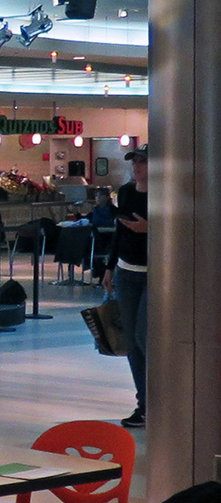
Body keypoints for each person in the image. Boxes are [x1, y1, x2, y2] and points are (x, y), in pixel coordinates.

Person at [111, 149, 148, 428]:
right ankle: (144, 405)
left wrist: (150, 229)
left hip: (155, 274)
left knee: (144, 337)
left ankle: (160, 400)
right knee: (133, 343)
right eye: (134, 162)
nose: (136, 166)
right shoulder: (126, 192)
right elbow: (120, 230)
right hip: (127, 271)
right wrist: (110, 267)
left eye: (142, 162)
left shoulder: (167, 194)